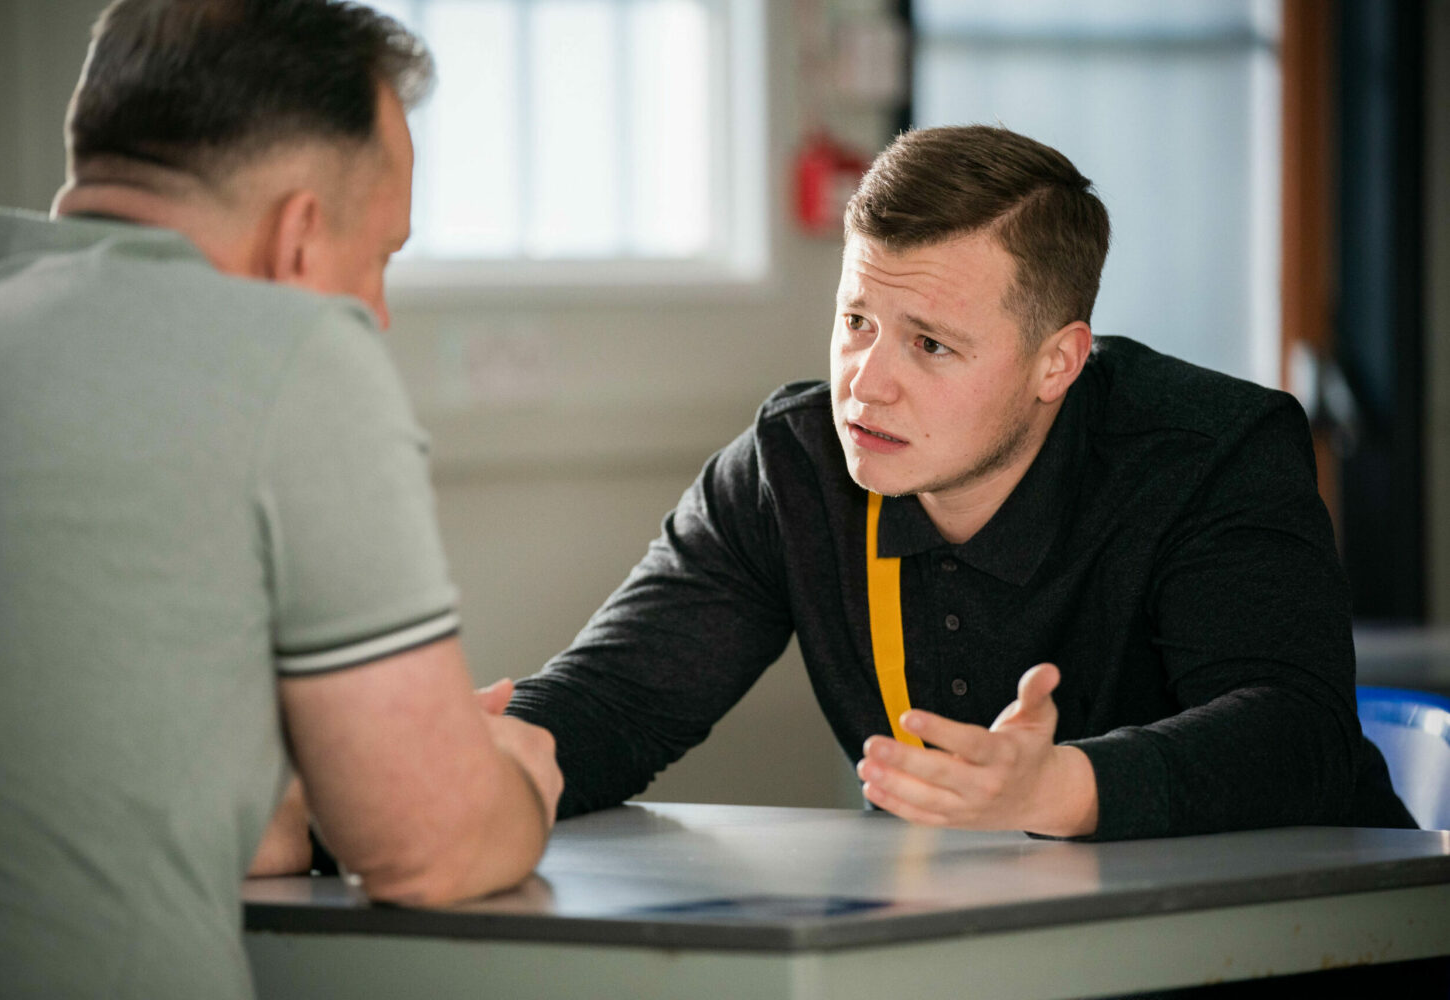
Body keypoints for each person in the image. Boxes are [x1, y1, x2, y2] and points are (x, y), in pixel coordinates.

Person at [506, 125, 1413, 841]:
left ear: (1058, 362)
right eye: (857, 320)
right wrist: (496, 757)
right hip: (985, 943)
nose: (865, 382)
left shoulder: (1213, 452)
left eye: (930, 344)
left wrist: (1061, 785)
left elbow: (1297, 737)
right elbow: (617, 699)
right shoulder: (796, 466)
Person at [0, 2, 560, 998]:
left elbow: (68, 776)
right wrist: (514, 778)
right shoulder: (297, 355)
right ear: (301, 237)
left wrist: (311, 791)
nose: (378, 313)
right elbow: (432, 847)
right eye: (381, 257)